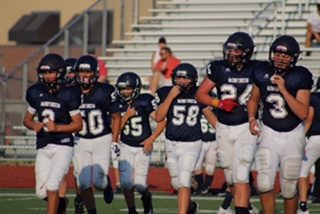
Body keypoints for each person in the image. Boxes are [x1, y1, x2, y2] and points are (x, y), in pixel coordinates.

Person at [247, 35, 313, 214]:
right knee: (264, 183)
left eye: (285, 56)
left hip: (293, 134)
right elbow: (253, 99)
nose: (280, 58)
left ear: (293, 58)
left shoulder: (301, 75)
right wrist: (252, 118)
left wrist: (283, 89)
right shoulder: (261, 71)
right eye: (277, 54)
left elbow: (302, 112)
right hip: (269, 132)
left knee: (289, 187)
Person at [195, 32, 259, 214]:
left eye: (235, 50)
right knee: (231, 176)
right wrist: (219, 103)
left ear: (246, 52)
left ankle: (241, 210)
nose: (231, 54)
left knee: (241, 172)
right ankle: (245, 206)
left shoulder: (258, 69)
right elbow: (200, 94)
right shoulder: (218, 68)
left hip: (246, 126)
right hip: (224, 126)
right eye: (229, 49)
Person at [23, 53, 83, 214]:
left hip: (63, 145)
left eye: (51, 72)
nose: (47, 76)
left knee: (52, 186)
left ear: (60, 72)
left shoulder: (69, 94)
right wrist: (32, 125)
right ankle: (61, 204)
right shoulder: (36, 92)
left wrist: (58, 128)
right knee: (41, 192)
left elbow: (78, 124)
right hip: (43, 145)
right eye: (44, 72)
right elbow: (27, 119)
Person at [155, 63, 217, 214]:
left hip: (192, 143)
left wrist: (224, 133)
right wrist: (170, 96)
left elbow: (210, 117)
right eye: (179, 77)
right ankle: (190, 207)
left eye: (185, 78)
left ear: (193, 80)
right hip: (171, 143)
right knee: (177, 183)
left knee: (184, 180)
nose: (181, 81)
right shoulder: (165, 92)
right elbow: (158, 117)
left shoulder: (198, 93)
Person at [73, 55, 121, 214]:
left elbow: (116, 117)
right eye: (81, 71)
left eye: (88, 72)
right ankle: (92, 211)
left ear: (95, 73)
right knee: (83, 182)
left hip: (102, 138)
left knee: (99, 182)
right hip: (80, 140)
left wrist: (115, 141)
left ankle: (106, 184)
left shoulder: (105, 91)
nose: (85, 75)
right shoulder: (70, 92)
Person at [115, 72, 166, 214]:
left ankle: (147, 199)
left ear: (136, 88)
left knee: (140, 184)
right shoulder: (117, 104)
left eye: (128, 89)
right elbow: (115, 129)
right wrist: (126, 116)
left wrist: (151, 139)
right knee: (125, 183)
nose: (125, 92)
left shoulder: (145, 100)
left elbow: (161, 121)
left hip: (143, 147)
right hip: (125, 145)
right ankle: (132, 210)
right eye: (122, 89)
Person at [298, 78, 320, 213]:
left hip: (316, 137)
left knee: (302, 172)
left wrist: (301, 137)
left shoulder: (313, 98)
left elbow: (310, 118)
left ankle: (303, 206)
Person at [192, 108, 218, 196]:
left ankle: (206, 187)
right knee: (196, 166)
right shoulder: (199, 109)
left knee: (210, 166)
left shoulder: (217, 111)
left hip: (213, 141)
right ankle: (201, 187)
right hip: (200, 141)